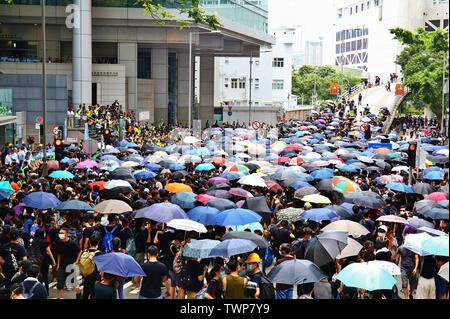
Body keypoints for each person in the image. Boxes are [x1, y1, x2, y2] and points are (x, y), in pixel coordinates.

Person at [54, 227, 81, 299]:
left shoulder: (72, 243)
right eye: (60, 233)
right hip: (62, 266)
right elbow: (59, 254)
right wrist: (58, 264)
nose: (60, 235)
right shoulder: (59, 242)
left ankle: (79, 295)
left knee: (74, 283)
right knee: (59, 284)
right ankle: (59, 297)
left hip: (70, 266)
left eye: (62, 233)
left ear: (67, 234)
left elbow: (79, 251)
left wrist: (77, 261)